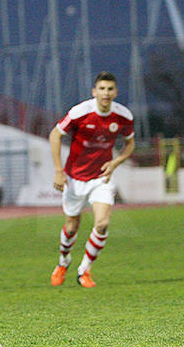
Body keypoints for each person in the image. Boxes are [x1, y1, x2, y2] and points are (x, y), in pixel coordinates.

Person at [49, 71, 135, 288]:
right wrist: (59, 171)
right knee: (71, 227)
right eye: (102, 89)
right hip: (74, 178)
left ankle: (84, 271)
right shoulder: (80, 112)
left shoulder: (123, 116)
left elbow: (130, 143)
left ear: (115, 92)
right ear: (94, 92)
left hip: (101, 179)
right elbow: (55, 135)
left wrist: (115, 163)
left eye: (109, 89)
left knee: (103, 224)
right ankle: (63, 263)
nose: (106, 93)